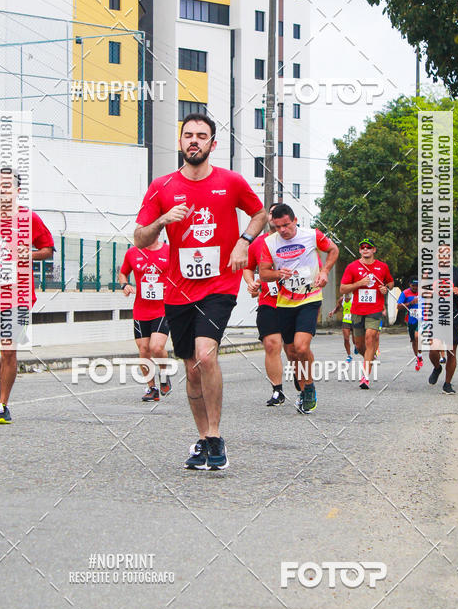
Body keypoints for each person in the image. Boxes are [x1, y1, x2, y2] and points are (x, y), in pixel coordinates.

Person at [133, 113, 266, 470]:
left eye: (201, 136)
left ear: (212, 144)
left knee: (206, 355)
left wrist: (243, 243)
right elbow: (140, 237)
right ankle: (204, 437)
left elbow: (259, 213)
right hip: (177, 289)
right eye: (188, 135)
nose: (194, 140)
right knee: (191, 368)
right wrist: (162, 220)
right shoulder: (161, 187)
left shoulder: (231, 182)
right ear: (180, 142)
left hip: (219, 285)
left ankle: (217, 435)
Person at [0, 168, 54, 423]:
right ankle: (3, 374)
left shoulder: (30, 219)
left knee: (9, 351)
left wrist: (29, 254)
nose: (2, 190)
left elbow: (48, 249)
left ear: (17, 190)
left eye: (6, 186)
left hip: (19, 295)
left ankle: (2, 405)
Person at [258, 205, 339, 414]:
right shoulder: (269, 243)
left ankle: (309, 387)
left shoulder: (311, 235)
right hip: (284, 303)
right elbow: (264, 273)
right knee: (292, 352)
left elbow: (333, 250)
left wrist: (324, 271)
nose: (283, 230)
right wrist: (278, 274)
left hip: (309, 298)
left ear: (294, 220)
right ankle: (303, 386)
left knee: (302, 347)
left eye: (286, 225)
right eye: (278, 227)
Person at [243, 203, 296, 406]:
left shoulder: (298, 241)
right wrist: (252, 283)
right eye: (271, 214)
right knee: (272, 344)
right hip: (268, 301)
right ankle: (277, 390)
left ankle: (302, 385)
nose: (275, 219)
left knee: (293, 350)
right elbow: (248, 267)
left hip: (294, 301)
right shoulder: (258, 243)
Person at [119, 236, 171, 402]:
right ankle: (152, 388)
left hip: (163, 308)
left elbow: (180, 273)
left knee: (156, 347)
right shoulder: (132, 252)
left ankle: (164, 374)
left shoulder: (169, 251)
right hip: (141, 309)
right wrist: (125, 285)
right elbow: (123, 273)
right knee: (143, 349)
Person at [339, 238, 394, 390]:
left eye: (368, 248)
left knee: (370, 338)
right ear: (359, 251)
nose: (365, 250)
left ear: (374, 250)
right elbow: (342, 289)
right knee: (359, 344)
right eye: (362, 248)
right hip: (357, 310)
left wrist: (386, 288)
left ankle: (365, 377)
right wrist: (359, 284)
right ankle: (370, 358)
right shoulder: (352, 267)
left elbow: (390, 282)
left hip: (375, 309)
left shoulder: (382, 267)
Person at [427, 265, 458, 393]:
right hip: (436, 316)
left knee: (451, 352)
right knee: (433, 347)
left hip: (454, 316)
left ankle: (447, 384)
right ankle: (437, 368)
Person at [397, 279, 423, 370]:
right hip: (411, 319)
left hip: (421, 319)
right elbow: (399, 306)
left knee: (417, 336)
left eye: (417, 286)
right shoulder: (405, 293)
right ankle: (418, 357)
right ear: (409, 285)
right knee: (413, 340)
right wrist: (410, 303)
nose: (415, 287)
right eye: (413, 286)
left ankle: (419, 354)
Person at [329, 293, 354, 362]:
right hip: (346, 321)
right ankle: (349, 356)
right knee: (346, 339)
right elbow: (337, 308)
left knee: (355, 341)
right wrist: (333, 312)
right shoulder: (341, 299)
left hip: (355, 320)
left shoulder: (355, 298)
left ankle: (357, 347)